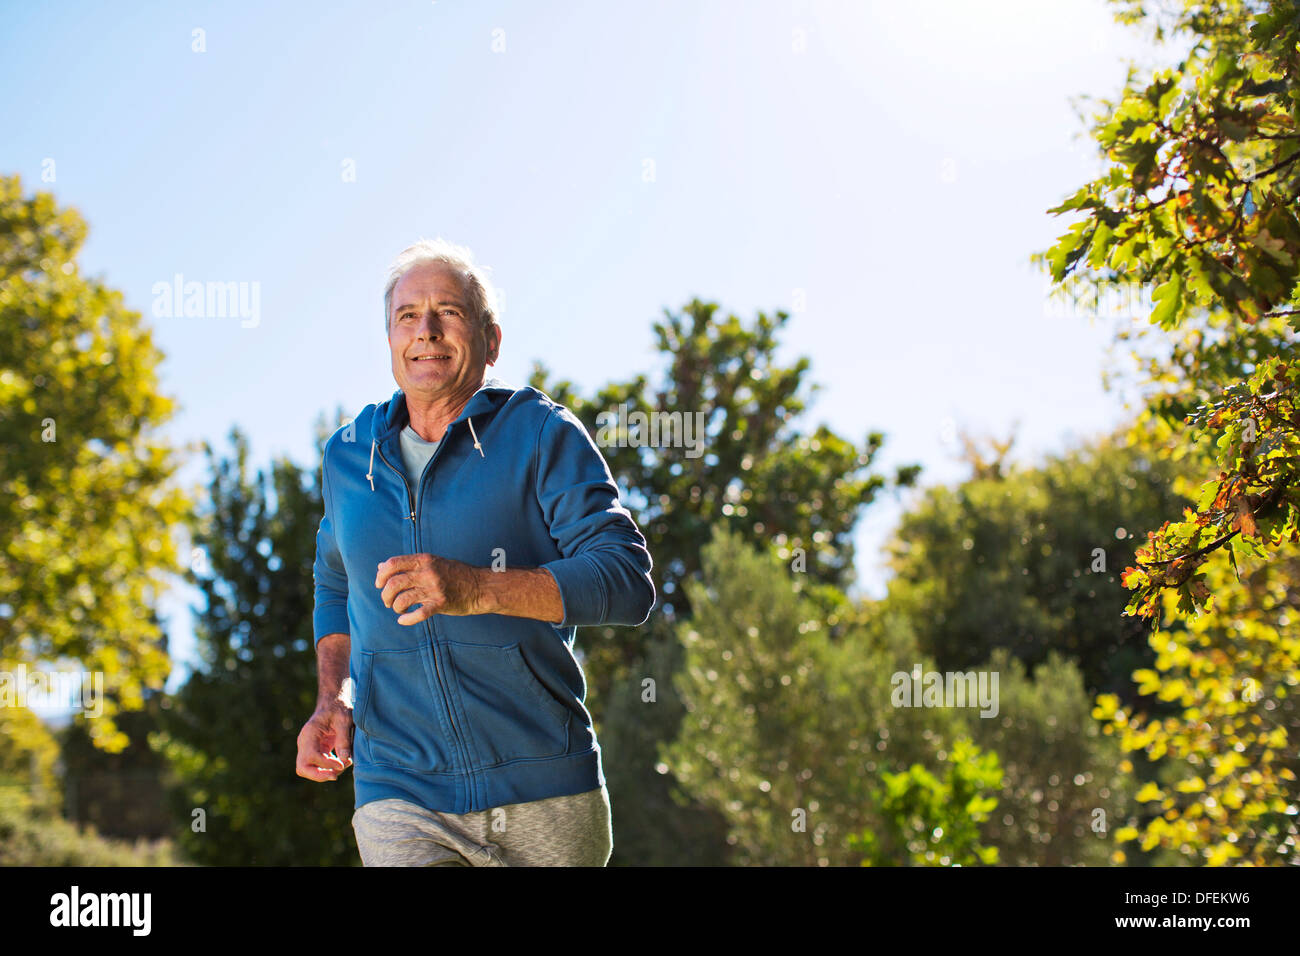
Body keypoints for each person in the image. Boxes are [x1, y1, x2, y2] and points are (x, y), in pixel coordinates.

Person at [295, 238, 655, 866]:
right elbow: (335, 584)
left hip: (544, 788)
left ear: (491, 341)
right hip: (398, 788)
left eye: (449, 313)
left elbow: (626, 580)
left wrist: (478, 589)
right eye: (408, 316)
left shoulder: (540, 432)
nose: (427, 332)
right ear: (389, 340)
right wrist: (335, 700)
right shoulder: (350, 457)